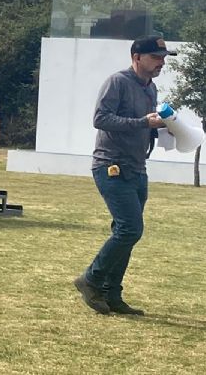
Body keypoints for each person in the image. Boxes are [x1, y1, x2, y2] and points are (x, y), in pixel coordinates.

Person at [74, 37, 172, 316]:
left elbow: (146, 126)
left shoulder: (150, 88)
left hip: (137, 167)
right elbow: (100, 118)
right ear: (137, 57)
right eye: (155, 57)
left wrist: (164, 127)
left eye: (163, 58)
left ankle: (112, 294)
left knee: (125, 233)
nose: (161, 63)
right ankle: (90, 279)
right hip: (111, 166)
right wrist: (143, 122)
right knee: (130, 229)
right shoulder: (117, 82)